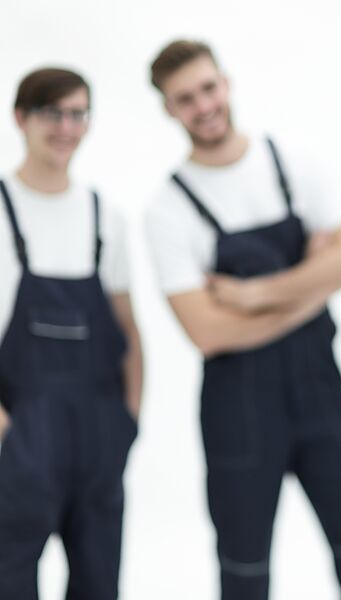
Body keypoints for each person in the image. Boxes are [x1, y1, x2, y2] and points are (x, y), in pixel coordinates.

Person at [144, 40, 341, 600]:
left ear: (225, 83)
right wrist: (313, 282)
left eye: (208, 88)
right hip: (239, 410)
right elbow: (207, 332)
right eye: (185, 98)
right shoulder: (168, 208)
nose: (203, 105)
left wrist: (253, 295)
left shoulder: (293, 162)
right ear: (169, 109)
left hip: (323, 393)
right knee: (244, 572)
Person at [0, 67, 142, 600]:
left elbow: (129, 330)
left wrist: (128, 422)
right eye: (51, 113)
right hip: (22, 444)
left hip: (99, 440)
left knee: (99, 584)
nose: (66, 127)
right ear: (21, 118)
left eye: (77, 113)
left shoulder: (106, 216)